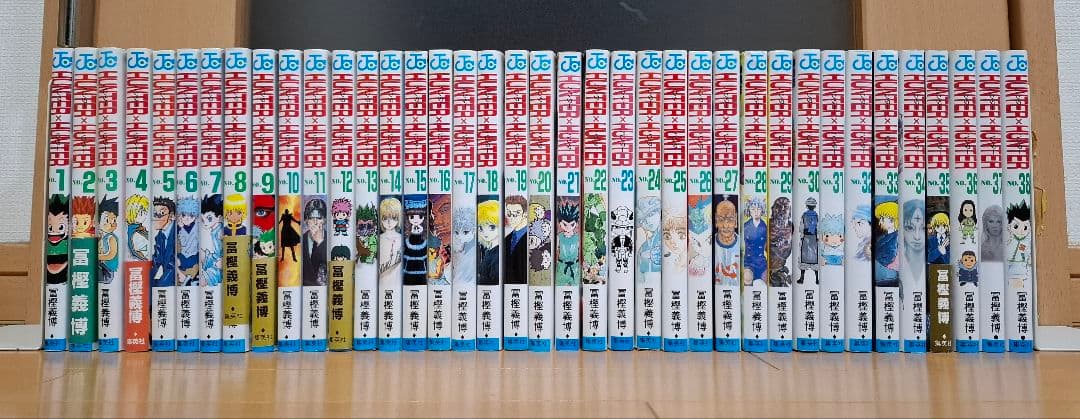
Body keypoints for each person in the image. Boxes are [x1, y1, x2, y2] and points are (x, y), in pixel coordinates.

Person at [302, 199, 328, 286]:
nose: (315, 222)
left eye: (319, 218)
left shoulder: (332, 239)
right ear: (306, 220)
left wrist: (320, 242)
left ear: (324, 220)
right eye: (311, 218)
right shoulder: (300, 241)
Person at [477, 200, 500, 285]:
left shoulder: (498, 253)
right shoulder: (487, 249)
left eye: (492, 227)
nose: (485, 233)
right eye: (480, 228)